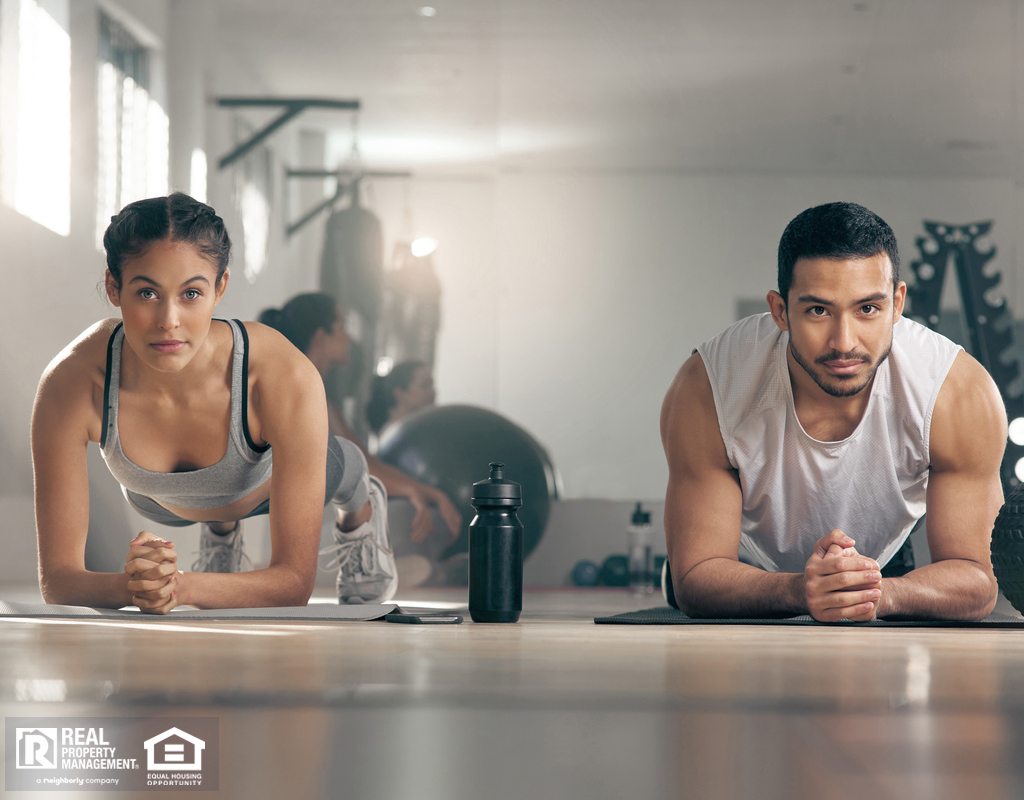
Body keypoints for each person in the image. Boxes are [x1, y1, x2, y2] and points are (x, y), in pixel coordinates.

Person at [32, 193, 396, 614]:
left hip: (266, 487)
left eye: (191, 293)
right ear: (114, 287)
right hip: (161, 503)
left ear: (219, 288)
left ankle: (361, 512)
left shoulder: (281, 372)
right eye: (148, 293)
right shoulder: (72, 381)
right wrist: (140, 585)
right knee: (211, 521)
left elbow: (294, 584)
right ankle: (221, 528)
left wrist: (181, 588)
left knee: (343, 464)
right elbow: (58, 581)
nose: (169, 319)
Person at [660, 201, 1006, 622]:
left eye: (867, 309)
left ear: (898, 304)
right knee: (687, 587)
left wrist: (872, 592)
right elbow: (698, 575)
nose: (844, 342)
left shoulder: (957, 391)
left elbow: (978, 581)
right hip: (744, 562)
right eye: (818, 310)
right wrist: (799, 590)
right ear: (780, 311)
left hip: (882, 563)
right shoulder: (708, 387)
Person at [258, 294, 461, 546]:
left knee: (421, 510)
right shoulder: (296, 395)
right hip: (305, 529)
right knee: (408, 513)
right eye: (342, 328)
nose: (349, 338)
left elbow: (367, 463)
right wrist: (414, 492)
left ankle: (427, 571)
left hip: (335, 514)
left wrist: (433, 494)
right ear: (321, 337)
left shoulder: (325, 401)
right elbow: (346, 471)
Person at [367, 360, 436, 437]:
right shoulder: (394, 435)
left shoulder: (418, 429)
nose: (432, 391)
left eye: (432, 384)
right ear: (400, 394)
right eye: (425, 385)